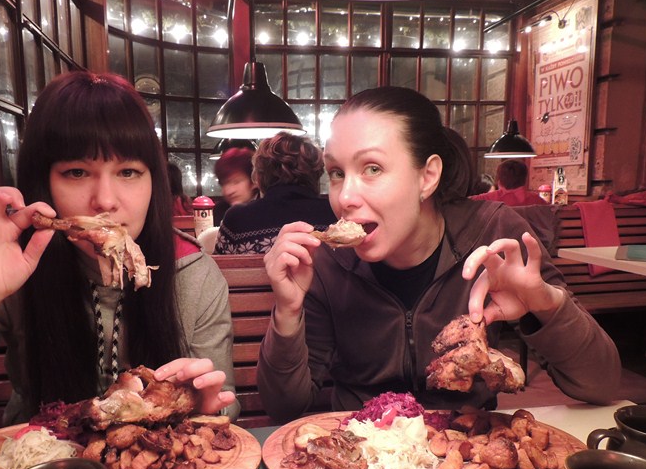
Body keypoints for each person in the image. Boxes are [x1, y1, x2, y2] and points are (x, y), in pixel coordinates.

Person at [257, 86, 620, 423]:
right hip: (363, 445)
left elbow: (601, 385)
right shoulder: (325, 262)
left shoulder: (493, 235)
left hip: (467, 444)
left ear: (428, 176)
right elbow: (284, 406)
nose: (345, 197)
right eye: (336, 173)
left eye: (372, 168)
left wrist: (545, 304)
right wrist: (288, 312)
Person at [0, 71, 239, 423]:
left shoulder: (193, 275)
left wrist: (205, 405)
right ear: (43, 182)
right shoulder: (12, 264)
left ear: (155, 184)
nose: (105, 200)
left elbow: (223, 403)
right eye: (76, 172)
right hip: (35, 451)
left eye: (128, 172)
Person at [214, 132, 336, 255]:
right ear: (317, 172)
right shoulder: (336, 214)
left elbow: (216, 266)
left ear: (259, 177)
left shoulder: (236, 219)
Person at [213, 147, 260, 225]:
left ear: (254, 180)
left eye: (236, 182)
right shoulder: (220, 210)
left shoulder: (266, 209)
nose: (229, 191)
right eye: (224, 183)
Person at [471, 160, 548, 206]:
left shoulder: (487, 198)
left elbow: (465, 203)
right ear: (525, 179)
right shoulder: (537, 200)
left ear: (499, 179)